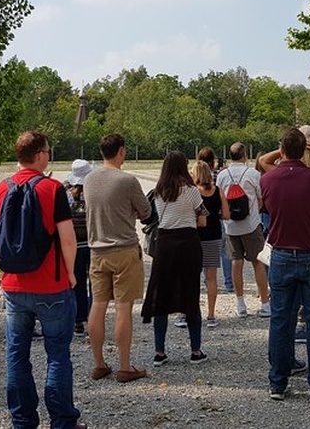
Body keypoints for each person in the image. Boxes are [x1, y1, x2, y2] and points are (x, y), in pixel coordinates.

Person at [0, 131, 86, 429]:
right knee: (57, 355)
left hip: (15, 286)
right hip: (51, 284)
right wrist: (69, 273)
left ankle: (23, 419)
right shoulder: (52, 189)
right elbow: (67, 239)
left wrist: (4, 266)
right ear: (41, 153)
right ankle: (62, 419)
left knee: (16, 355)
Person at [261, 128, 310, 404]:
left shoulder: (269, 180)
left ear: (282, 151)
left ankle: (278, 382)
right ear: (306, 150)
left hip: (281, 255)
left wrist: (286, 148)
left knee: (280, 320)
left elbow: (263, 162)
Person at [83, 134, 152, 383]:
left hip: (97, 250)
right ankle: (125, 365)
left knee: (98, 306)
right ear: (121, 151)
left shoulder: (88, 179)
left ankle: (99, 363)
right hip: (124, 248)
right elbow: (146, 212)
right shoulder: (128, 180)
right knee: (124, 308)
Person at [141, 151, 208, 366]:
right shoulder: (191, 191)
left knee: (161, 295)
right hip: (188, 242)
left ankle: (159, 351)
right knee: (190, 294)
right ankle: (195, 350)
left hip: (165, 243)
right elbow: (202, 219)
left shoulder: (159, 191)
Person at [216, 142, 269, 318]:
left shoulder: (222, 175)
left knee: (236, 262)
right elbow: (261, 200)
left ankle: (240, 304)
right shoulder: (253, 174)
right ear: (245, 155)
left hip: (230, 226)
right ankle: (264, 303)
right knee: (257, 262)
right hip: (251, 225)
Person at [192, 159, 229, 327]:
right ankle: (211, 314)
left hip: (195, 237)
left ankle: (188, 313)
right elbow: (227, 215)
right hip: (214, 236)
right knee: (211, 278)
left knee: (192, 277)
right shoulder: (218, 191)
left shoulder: (192, 192)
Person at [198, 147, 233, 293]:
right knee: (224, 252)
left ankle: (199, 281)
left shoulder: (195, 179)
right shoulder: (220, 174)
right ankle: (228, 282)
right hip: (215, 221)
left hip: (199, 225)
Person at [65, 159, 94, 337]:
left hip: (73, 244)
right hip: (92, 243)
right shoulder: (93, 192)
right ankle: (93, 317)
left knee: (77, 282)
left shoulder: (66, 193)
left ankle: (78, 321)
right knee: (95, 284)